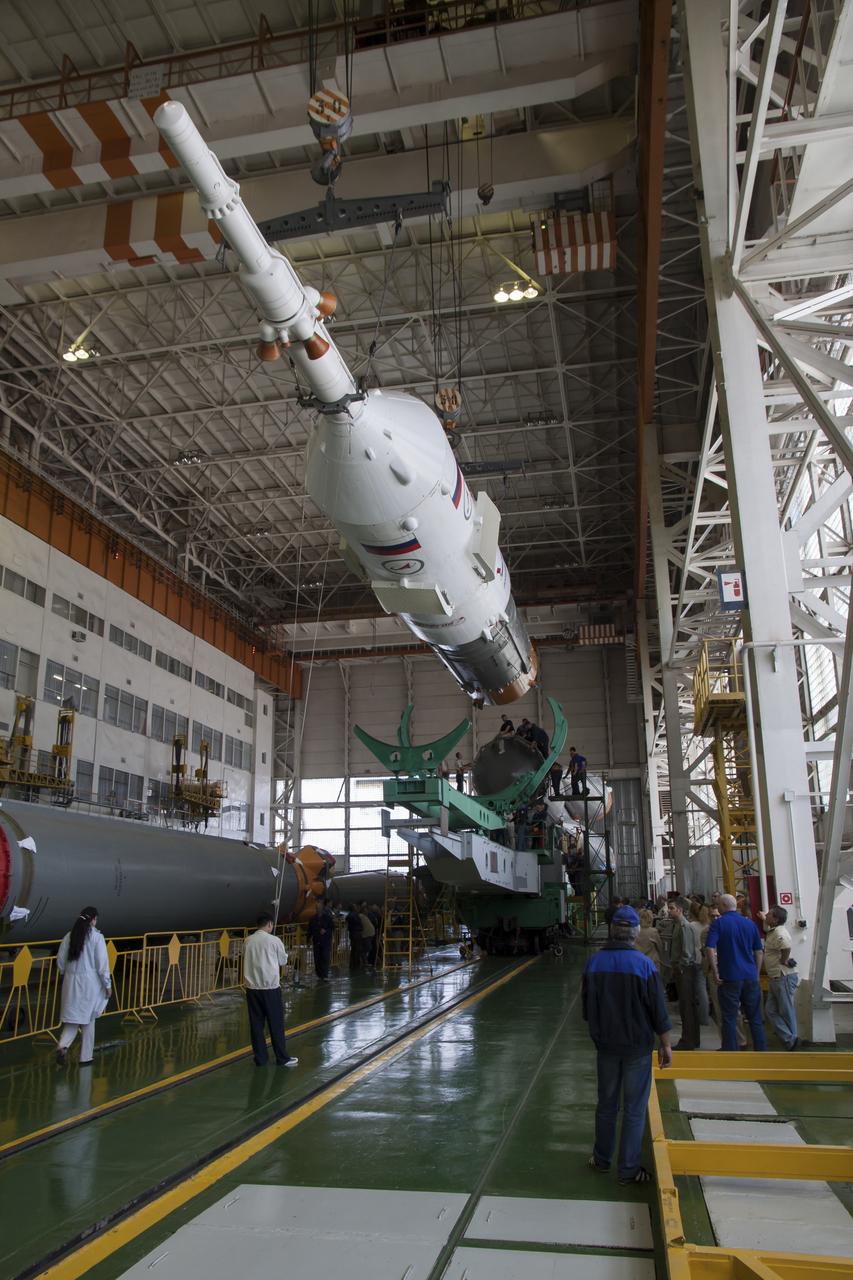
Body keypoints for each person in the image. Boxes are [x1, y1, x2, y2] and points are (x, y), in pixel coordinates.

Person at [583, 905, 672, 1185]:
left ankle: (601, 1159)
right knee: (634, 1109)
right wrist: (666, 1044)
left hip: (606, 1046)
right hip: (637, 1048)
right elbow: (658, 1010)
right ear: (635, 933)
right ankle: (628, 1171)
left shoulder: (594, 963)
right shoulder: (644, 965)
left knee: (606, 1105)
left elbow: (587, 1009)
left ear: (612, 931)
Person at [705, 893, 767, 1052]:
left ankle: (731, 1052)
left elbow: (710, 948)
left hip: (729, 976)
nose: (717, 908)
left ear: (724, 906)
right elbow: (759, 951)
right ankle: (762, 1052)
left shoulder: (718, 924)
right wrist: (756, 973)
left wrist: (715, 971)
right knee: (755, 1018)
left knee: (729, 1018)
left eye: (718, 905)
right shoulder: (750, 924)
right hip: (750, 976)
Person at [55, 906, 111, 1067]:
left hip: (70, 982)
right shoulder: (96, 937)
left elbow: (60, 960)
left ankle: (62, 1045)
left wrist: (65, 973)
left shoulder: (69, 936)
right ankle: (86, 1057)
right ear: (93, 920)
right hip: (89, 984)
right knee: (88, 1020)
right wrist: (107, 985)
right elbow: (102, 964)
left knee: (72, 1019)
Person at [243, 914, 298, 1067]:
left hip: (252, 989)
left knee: (256, 1025)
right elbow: (283, 961)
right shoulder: (274, 940)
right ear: (269, 924)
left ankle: (260, 1059)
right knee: (275, 1024)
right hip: (270, 989)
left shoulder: (248, 940)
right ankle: (282, 1058)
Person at [762, 905, 799, 1050]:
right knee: (770, 1010)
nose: (766, 915)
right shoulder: (773, 930)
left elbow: (786, 946)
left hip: (783, 976)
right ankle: (789, 1038)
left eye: (769, 914)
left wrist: (784, 960)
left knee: (786, 1010)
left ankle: (792, 1040)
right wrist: (763, 918)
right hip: (775, 977)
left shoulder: (779, 932)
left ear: (776, 919)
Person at [667, 896, 702, 1050]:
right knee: (686, 1004)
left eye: (672, 908)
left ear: (680, 910)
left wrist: (680, 967)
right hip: (681, 968)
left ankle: (688, 1039)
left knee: (687, 1005)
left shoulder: (684, 927)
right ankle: (692, 1038)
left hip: (685, 969)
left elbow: (687, 952)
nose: (669, 911)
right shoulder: (677, 925)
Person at [307, 900, 335, 982]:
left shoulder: (328, 918)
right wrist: (308, 940)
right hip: (316, 941)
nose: (318, 909)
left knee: (325, 957)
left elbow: (332, 928)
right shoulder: (313, 919)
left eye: (319, 907)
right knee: (317, 958)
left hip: (325, 941)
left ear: (322, 908)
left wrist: (326, 930)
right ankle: (319, 974)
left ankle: (325, 974)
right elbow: (310, 930)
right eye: (317, 908)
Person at [637, 908, 663, 973]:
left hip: (638, 963)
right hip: (652, 963)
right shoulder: (653, 932)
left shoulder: (635, 931)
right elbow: (660, 948)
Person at [346, 904, 364, 969]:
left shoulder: (351, 915)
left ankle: (353, 964)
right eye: (355, 907)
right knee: (356, 949)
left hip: (354, 933)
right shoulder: (354, 915)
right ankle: (355, 964)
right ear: (353, 908)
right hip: (356, 933)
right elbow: (358, 922)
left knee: (354, 949)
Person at [359, 903, 376, 968]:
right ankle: (364, 961)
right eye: (366, 910)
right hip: (366, 935)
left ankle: (365, 962)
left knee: (367, 948)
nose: (367, 911)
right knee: (367, 948)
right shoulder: (361, 916)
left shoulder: (365, 916)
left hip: (368, 935)